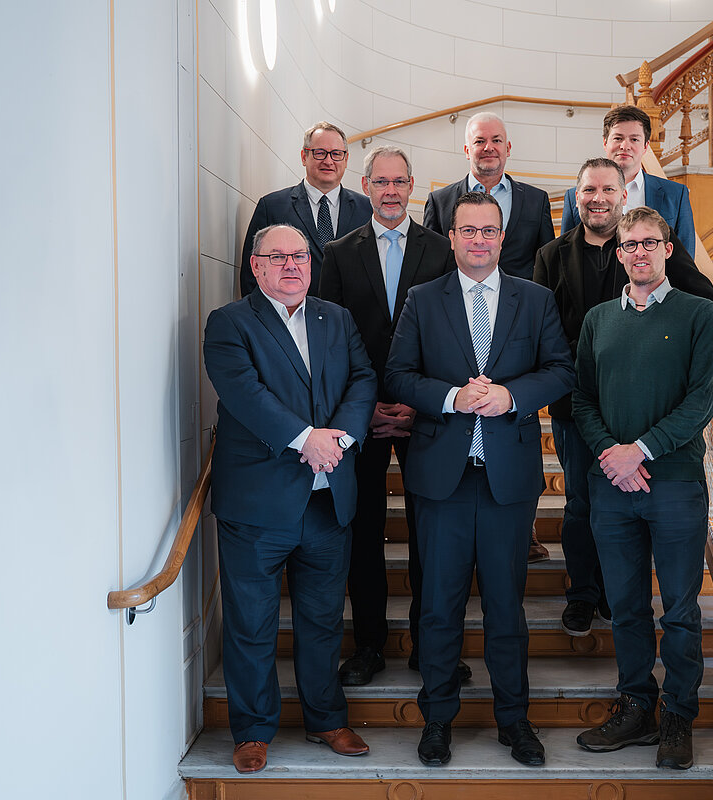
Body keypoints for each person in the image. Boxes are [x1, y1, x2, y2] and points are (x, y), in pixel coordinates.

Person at [535, 158, 713, 636]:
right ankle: (583, 594)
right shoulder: (553, 255)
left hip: (642, 416)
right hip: (579, 406)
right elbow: (542, 329)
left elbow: (703, 294)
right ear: (576, 196)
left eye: (607, 189)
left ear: (623, 195)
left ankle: (614, 594)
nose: (597, 198)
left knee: (622, 505)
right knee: (583, 504)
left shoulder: (647, 244)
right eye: (588, 190)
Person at [385, 192, 574, 767]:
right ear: (452, 237)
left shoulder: (535, 299)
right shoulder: (422, 299)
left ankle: (513, 721)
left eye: (488, 230)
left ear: (501, 235)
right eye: (468, 230)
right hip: (441, 477)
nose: (478, 240)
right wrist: (451, 397)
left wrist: (512, 395)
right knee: (438, 608)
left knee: (505, 609)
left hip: (506, 482)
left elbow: (561, 370)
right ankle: (436, 719)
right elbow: (396, 373)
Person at [204, 224, 376, 773]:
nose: (292, 265)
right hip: (258, 506)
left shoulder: (336, 318)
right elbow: (245, 395)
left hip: (327, 502)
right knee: (251, 623)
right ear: (255, 266)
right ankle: (253, 730)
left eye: (300, 255)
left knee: (323, 620)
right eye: (278, 257)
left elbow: (363, 379)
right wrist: (308, 440)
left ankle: (326, 719)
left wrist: (341, 439)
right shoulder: (230, 323)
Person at [571, 207, 713, 770]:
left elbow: (700, 401)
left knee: (680, 610)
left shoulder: (698, 315)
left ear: (667, 249)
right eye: (629, 244)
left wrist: (642, 450)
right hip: (611, 487)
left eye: (649, 243)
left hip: (675, 484)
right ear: (619, 254)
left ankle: (679, 714)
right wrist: (613, 455)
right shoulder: (597, 320)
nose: (638, 252)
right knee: (628, 608)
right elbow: (582, 398)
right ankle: (637, 705)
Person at [319, 145, 469, 687]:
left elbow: (452, 333)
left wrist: (418, 398)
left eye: (398, 182)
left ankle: (431, 645)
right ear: (366, 184)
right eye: (379, 182)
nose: (389, 191)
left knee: (432, 531)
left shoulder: (441, 248)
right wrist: (368, 405)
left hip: (425, 411)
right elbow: (331, 338)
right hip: (362, 415)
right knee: (364, 532)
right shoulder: (337, 254)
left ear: (412, 187)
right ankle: (368, 646)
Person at [423, 112, 557, 562]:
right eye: (479, 140)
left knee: (515, 435)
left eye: (496, 140)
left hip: (517, 332)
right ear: (467, 148)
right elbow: (435, 269)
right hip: (461, 333)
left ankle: (525, 527)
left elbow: (544, 266)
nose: (488, 147)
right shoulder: (441, 199)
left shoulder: (535, 200)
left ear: (508, 147)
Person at [238, 121, 372, 298]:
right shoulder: (272, 207)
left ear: (346, 159)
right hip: (288, 319)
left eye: (336, 154)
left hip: (351, 322)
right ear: (304, 157)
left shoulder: (368, 210)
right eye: (320, 153)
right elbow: (252, 275)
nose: (328, 161)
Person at [560, 105, 696, 257]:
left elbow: (686, 257)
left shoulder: (676, 194)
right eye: (618, 138)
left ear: (645, 146)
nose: (625, 146)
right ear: (605, 143)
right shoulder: (574, 197)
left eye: (634, 139)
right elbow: (566, 254)